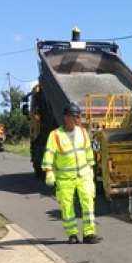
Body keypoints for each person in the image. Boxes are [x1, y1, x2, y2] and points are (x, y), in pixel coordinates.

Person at [42, 103, 102, 244]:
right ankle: (72, 234)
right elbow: (49, 154)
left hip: (84, 176)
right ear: (66, 117)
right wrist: (49, 171)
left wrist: (92, 169)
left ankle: (89, 233)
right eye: (74, 117)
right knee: (67, 207)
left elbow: (88, 151)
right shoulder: (55, 135)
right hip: (65, 179)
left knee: (88, 203)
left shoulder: (82, 132)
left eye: (78, 117)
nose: (77, 120)